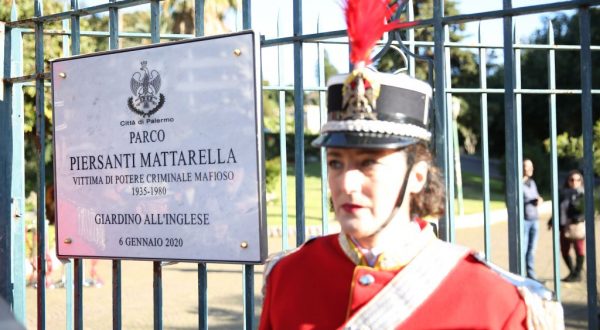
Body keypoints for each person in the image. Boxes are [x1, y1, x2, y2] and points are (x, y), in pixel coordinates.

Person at [259, 1, 563, 328]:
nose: (346, 183)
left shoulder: (498, 303)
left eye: (369, 163)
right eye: (335, 162)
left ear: (417, 175)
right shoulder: (289, 276)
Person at [556, 170, 586, 282]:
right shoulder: (563, 194)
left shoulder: (582, 194)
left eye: (578, 180)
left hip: (577, 227)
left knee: (579, 250)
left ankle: (577, 273)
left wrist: (577, 218)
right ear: (567, 181)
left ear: (581, 181)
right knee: (564, 251)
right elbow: (558, 209)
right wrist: (552, 221)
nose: (574, 182)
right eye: (571, 179)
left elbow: (586, 211)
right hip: (564, 227)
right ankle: (572, 272)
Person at [522, 158, 543, 280]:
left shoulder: (532, 182)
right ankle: (521, 273)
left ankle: (531, 275)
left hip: (534, 219)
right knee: (523, 249)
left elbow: (535, 195)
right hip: (524, 220)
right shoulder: (518, 184)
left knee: (532, 249)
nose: (531, 169)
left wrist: (539, 199)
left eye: (532, 166)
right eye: (527, 166)